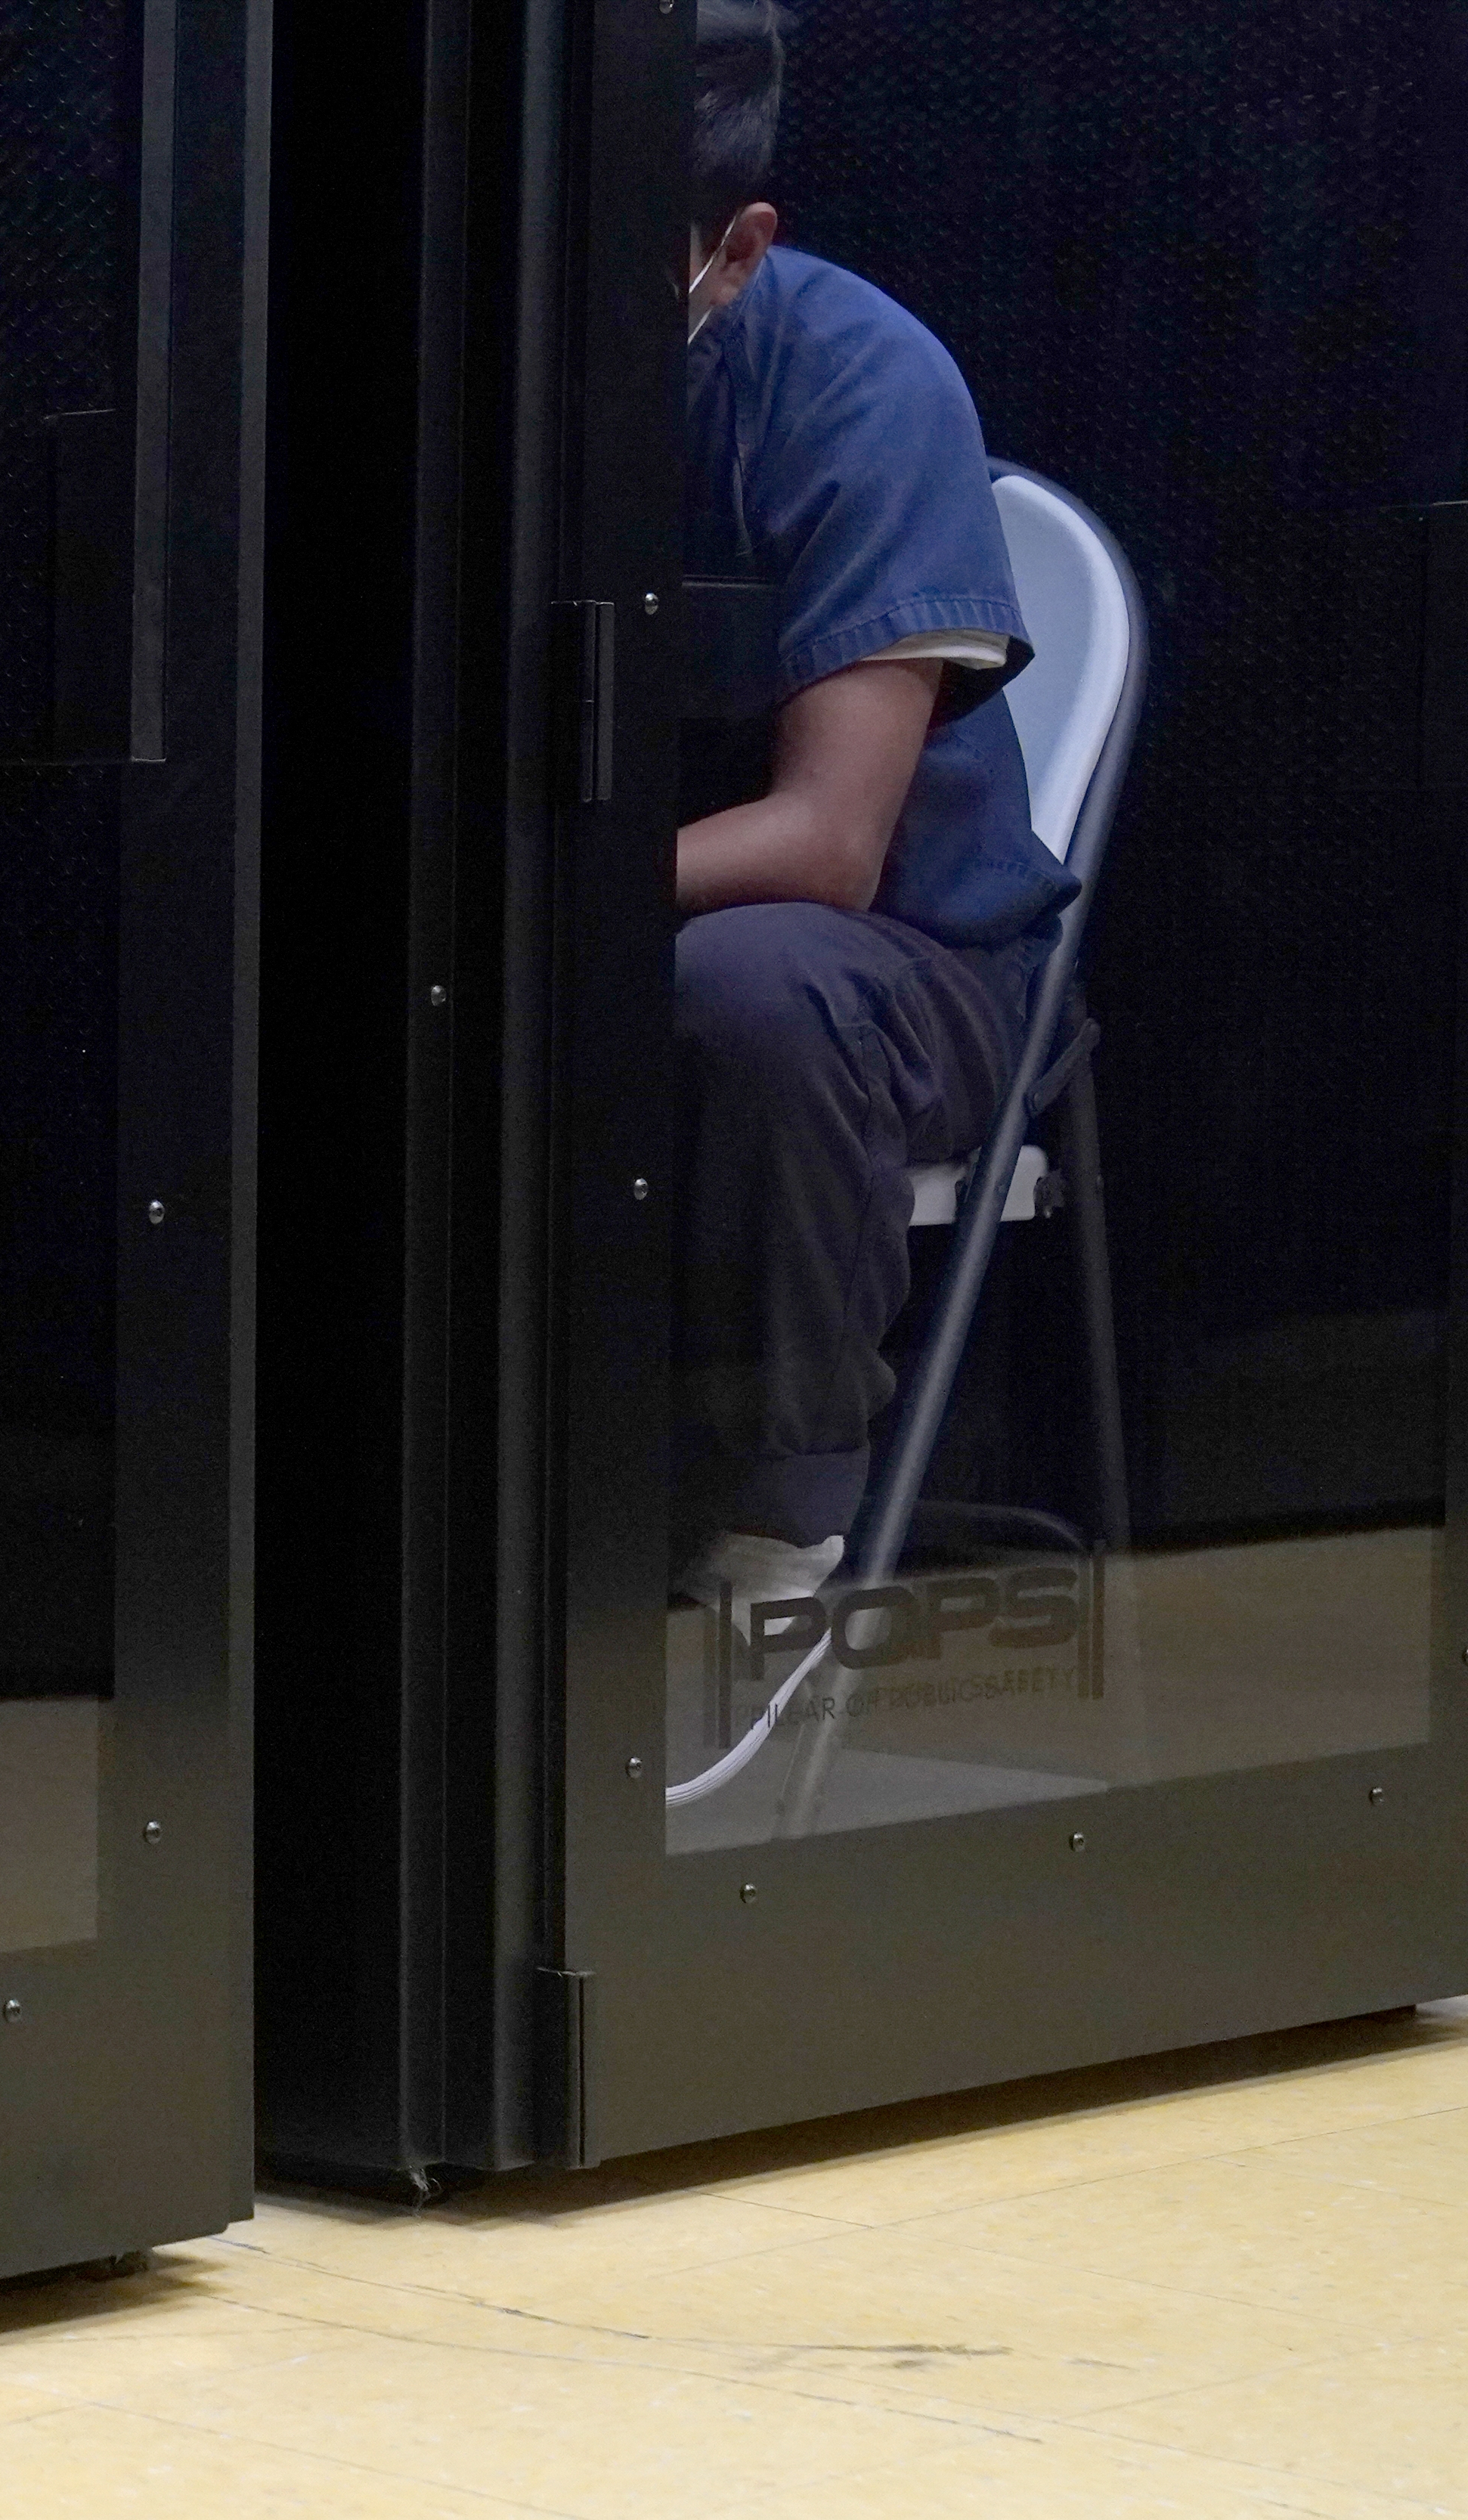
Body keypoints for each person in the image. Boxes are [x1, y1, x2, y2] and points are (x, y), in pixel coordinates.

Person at [671, 1, 1079, 1642]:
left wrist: (510, 886)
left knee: (745, 981)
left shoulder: (854, 383)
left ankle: (774, 1530)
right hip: (588, 925)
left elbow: (826, 845)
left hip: (898, 964)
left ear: (737, 248)